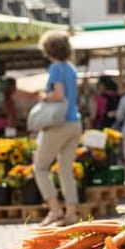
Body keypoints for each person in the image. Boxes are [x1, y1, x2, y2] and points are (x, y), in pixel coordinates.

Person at [33, 30, 82, 226]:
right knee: (65, 169)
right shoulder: (71, 68)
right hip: (74, 123)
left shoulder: (55, 68)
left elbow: (59, 95)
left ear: (48, 49)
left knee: (40, 167)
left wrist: (44, 96)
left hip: (58, 124)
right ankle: (71, 213)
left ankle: (55, 210)